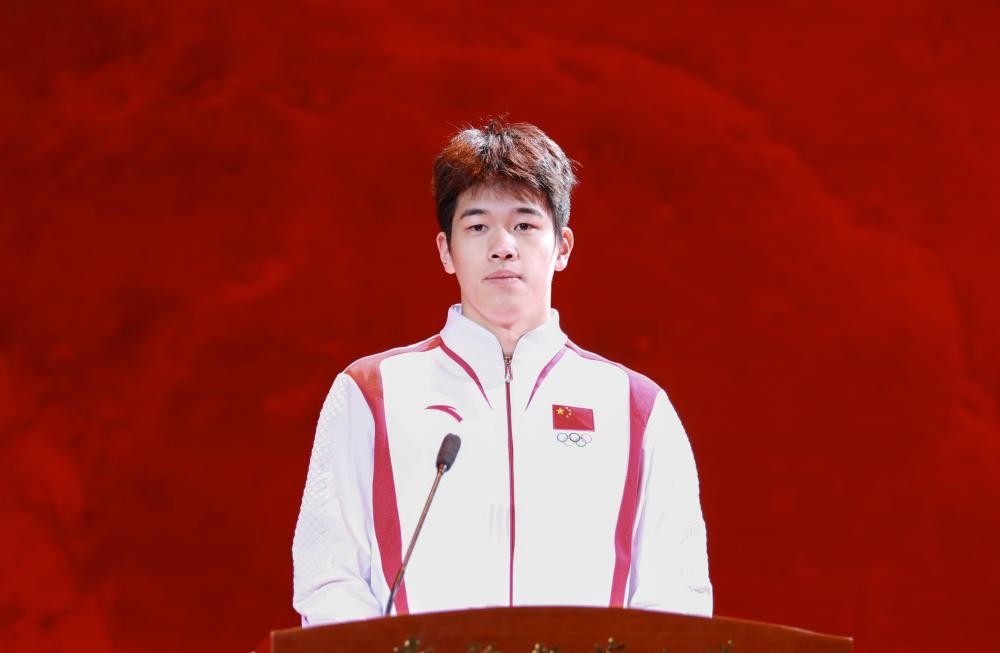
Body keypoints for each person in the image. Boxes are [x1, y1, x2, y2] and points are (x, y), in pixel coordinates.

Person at [292, 118, 712, 625]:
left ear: (562, 247)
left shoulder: (634, 406)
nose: (502, 246)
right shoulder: (372, 393)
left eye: (524, 225)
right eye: (477, 227)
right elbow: (329, 578)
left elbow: (676, 592)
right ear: (446, 251)